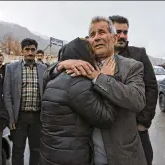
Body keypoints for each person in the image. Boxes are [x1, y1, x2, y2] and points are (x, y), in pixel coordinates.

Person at [44, 16, 147, 165]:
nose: (97, 38)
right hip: (88, 156)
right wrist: (60, 65)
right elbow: (46, 77)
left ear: (114, 37)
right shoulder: (80, 64)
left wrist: (100, 78)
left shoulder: (132, 67)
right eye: (92, 35)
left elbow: (138, 100)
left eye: (102, 32)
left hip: (121, 156)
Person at [40, 37, 117, 165]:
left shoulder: (53, 81)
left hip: (50, 154)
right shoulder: (78, 85)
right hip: (71, 157)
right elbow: (106, 118)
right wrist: (106, 80)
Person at [108, 15, 158, 165]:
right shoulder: (98, 55)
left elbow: (151, 87)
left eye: (125, 32)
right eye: (118, 31)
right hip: (107, 125)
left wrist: (143, 121)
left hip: (135, 126)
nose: (122, 36)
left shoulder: (138, 55)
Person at [3, 38, 47, 165]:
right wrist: (11, 118)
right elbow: (7, 94)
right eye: (27, 49)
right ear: (22, 51)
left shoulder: (43, 68)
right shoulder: (11, 68)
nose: (30, 52)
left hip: (37, 117)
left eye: (33, 49)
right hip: (19, 117)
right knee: (18, 150)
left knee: (36, 150)